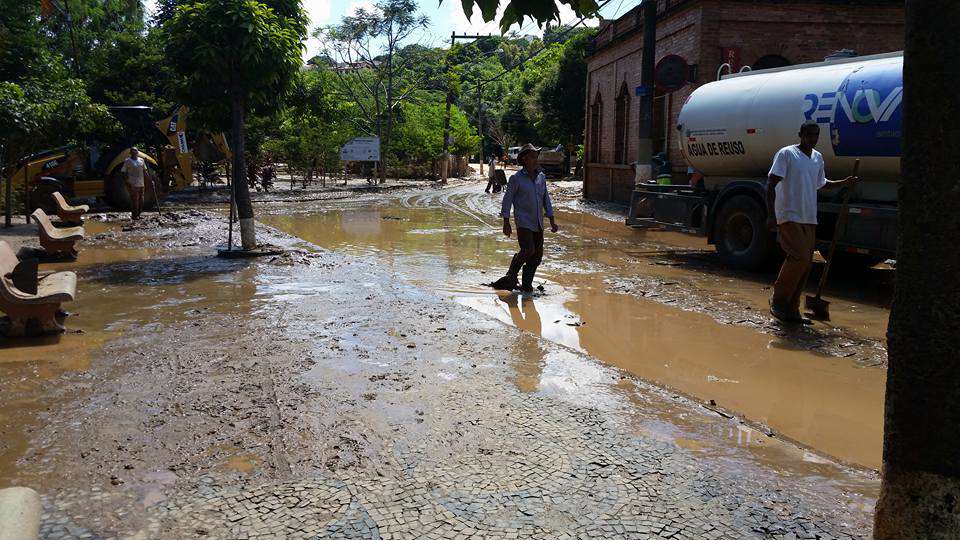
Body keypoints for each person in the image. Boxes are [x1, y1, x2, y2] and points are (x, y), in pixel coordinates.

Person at [766, 122, 857, 324]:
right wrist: (771, 215)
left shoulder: (817, 157)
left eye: (815, 135)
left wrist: (843, 183)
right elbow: (771, 184)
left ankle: (792, 308)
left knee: (806, 263)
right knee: (798, 257)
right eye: (808, 135)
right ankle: (779, 300)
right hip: (789, 214)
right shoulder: (786, 154)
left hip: (809, 216)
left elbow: (821, 184)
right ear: (800, 134)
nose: (812, 138)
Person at [491, 143, 558, 293]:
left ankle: (526, 285)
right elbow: (507, 200)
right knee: (528, 250)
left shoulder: (541, 177)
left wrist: (552, 219)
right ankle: (512, 276)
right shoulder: (516, 179)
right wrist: (506, 222)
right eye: (533, 157)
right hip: (523, 222)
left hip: (538, 222)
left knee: (537, 256)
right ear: (524, 159)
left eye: (536, 157)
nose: (536, 160)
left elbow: (546, 199)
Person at [121, 147, 146, 220]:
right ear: (130, 153)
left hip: (141, 183)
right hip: (133, 183)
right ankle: (134, 215)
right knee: (135, 200)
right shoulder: (128, 161)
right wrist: (127, 182)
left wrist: (151, 180)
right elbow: (123, 172)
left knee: (141, 199)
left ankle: (139, 214)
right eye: (133, 151)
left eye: (136, 151)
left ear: (138, 152)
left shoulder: (141, 160)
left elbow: (145, 171)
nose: (135, 152)